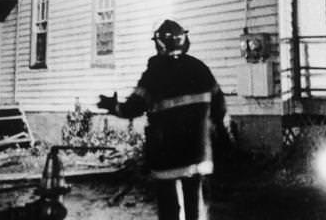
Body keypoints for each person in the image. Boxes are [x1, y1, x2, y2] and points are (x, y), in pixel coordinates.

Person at [98, 19, 230, 220]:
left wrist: (111, 106)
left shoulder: (155, 72)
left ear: (159, 43)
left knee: (170, 210)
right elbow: (219, 108)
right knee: (197, 208)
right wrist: (222, 137)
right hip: (198, 154)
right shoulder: (200, 68)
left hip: (168, 157)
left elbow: (133, 108)